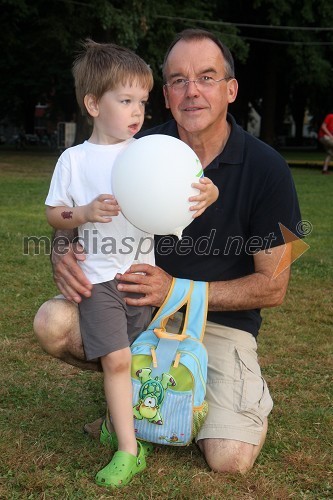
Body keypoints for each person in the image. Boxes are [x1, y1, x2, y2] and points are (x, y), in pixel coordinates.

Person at [34, 29, 302, 475]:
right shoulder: (136, 148)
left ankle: (208, 394)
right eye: (178, 79)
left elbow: (275, 287)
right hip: (140, 313)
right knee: (53, 322)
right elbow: (76, 204)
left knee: (229, 460)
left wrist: (176, 290)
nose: (192, 90)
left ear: (231, 89)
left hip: (219, 327)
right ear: (165, 94)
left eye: (207, 77)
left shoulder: (269, 167)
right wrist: (61, 248)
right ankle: (137, 398)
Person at [43, 39, 218, 489]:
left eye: (141, 100)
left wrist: (209, 193)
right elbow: (54, 213)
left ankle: (119, 422)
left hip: (140, 280)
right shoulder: (75, 161)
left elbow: (191, 184)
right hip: (98, 281)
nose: (137, 111)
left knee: (141, 359)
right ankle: (128, 448)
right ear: (92, 104)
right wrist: (82, 215)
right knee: (118, 361)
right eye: (125, 101)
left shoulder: (149, 151)